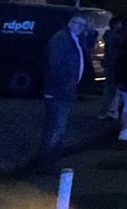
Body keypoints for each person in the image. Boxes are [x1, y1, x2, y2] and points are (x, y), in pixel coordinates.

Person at [33, 13, 89, 172]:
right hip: (58, 91)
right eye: (78, 24)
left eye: (83, 25)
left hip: (64, 90)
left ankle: (49, 162)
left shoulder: (73, 39)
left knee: (56, 128)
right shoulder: (62, 39)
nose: (81, 28)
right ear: (71, 23)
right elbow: (55, 64)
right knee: (55, 128)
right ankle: (46, 164)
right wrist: (65, 85)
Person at [98, 17, 126, 120]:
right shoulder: (114, 37)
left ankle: (108, 110)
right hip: (112, 64)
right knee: (111, 89)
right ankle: (105, 111)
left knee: (111, 89)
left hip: (110, 64)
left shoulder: (109, 35)